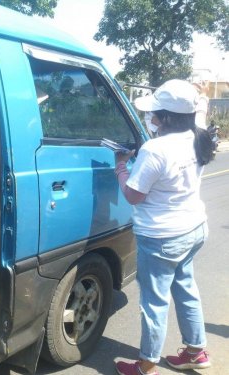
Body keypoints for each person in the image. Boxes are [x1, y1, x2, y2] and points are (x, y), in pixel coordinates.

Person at [113, 80, 213, 375]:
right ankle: (196, 351)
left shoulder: (156, 149)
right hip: (193, 229)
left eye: (155, 113)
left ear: (167, 117)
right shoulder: (199, 136)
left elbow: (133, 194)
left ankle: (147, 365)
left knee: (154, 302)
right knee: (185, 289)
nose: (152, 118)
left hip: (161, 238)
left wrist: (121, 166)